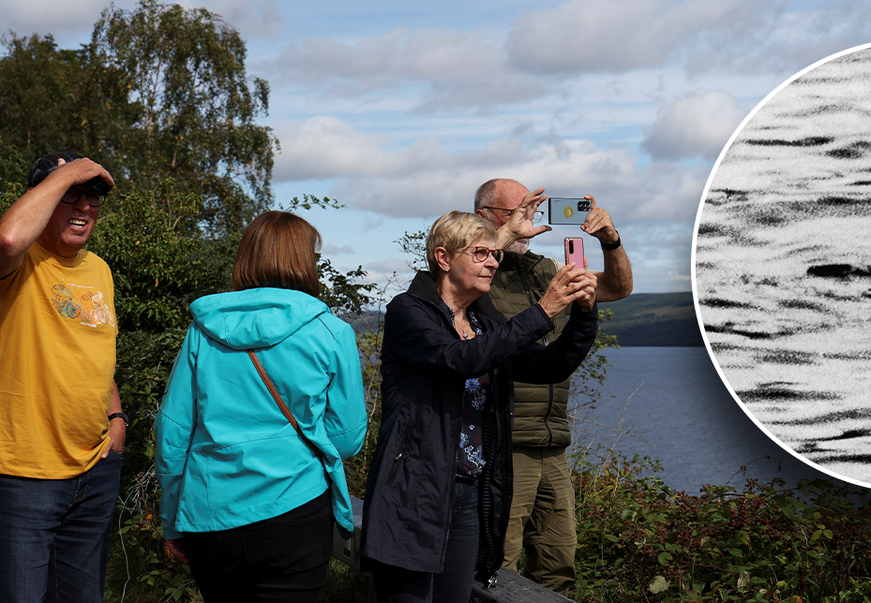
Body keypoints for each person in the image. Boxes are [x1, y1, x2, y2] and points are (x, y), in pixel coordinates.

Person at [362, 209, 599, 603]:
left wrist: (584, 314)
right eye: (481, 253)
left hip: (470, 491)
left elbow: (549, 365)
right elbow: (460, 359)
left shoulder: (484, 324)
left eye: (495, 254)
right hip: (414, 491)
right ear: (443, 258)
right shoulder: (409, 313)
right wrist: (542, 310)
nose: (493, 262)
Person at [154, 210, 368, 603]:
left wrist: (172, 520)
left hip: (209, 513)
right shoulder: (330, 331)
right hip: (295, 508)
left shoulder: (203, 329)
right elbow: (347, 439)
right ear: (305, 261)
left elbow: (173, 432)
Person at [474, 178, 633, 594]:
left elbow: (618, 288)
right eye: (515, 212)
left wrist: (610, 241)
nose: (527, 218)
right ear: (484, 217)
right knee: (495, 568)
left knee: (558, 567)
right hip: (504, 445)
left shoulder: (545, 269)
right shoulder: (476, 272)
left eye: (533, 209)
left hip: (552, 442)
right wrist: (501, 238)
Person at [0, 152, 124, 603]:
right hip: (23, 475)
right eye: (70, 193)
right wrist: (72, 170)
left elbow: (93, 350)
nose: (85, 205)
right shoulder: (19, 262)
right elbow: (9, 238)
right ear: (42, 196)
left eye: (93, 197)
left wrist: (117, 416)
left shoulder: (100, 270)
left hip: (95, 470)